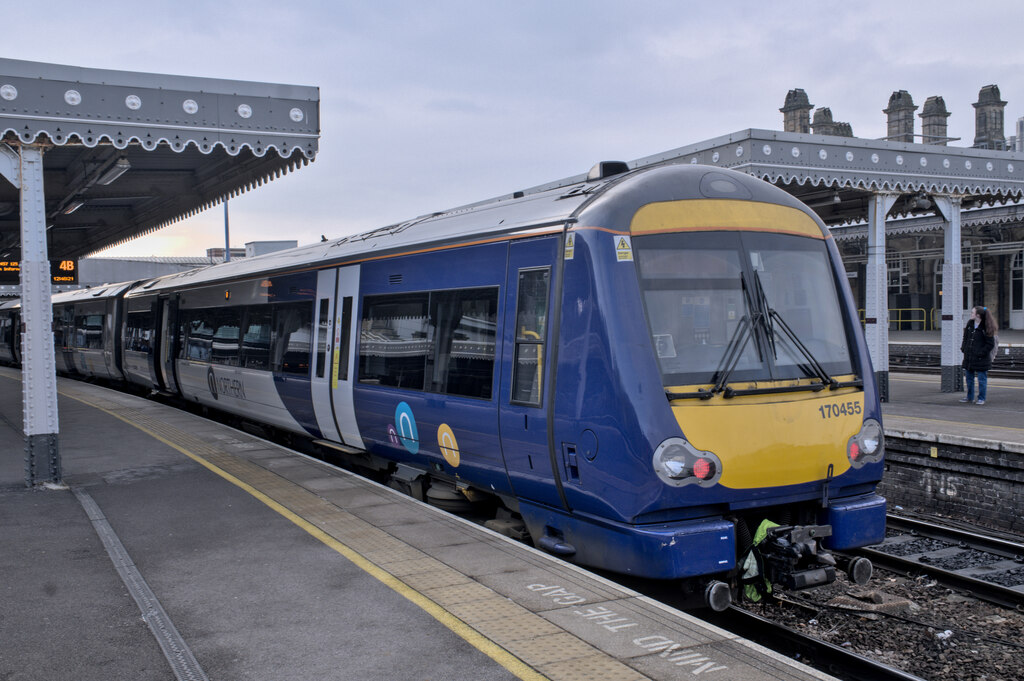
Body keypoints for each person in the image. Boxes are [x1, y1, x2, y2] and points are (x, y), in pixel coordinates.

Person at [960, 306, 997, 405]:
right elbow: (965, 337)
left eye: (972, 312)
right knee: (969, 378)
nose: (970, 314)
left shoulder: (986, 327)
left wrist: (981, 352)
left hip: (981, 358)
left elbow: (990, 344)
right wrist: (964, 348)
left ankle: (981, 398)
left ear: (978, 315)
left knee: (982, 379)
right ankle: (970, 397)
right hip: (969, 357)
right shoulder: (970, 324)